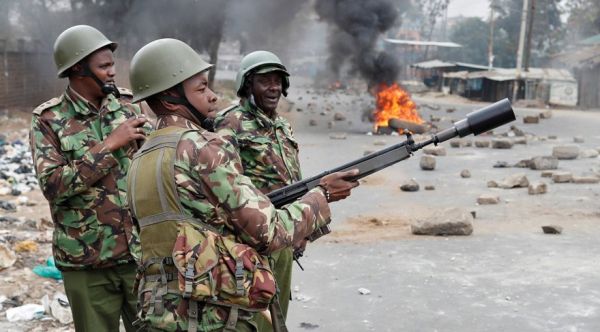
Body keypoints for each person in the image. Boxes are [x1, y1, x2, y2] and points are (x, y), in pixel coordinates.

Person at [126, 38, 358, 331]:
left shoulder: (140, 157)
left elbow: (142, 243)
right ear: (172, 98)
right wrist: (321, 195)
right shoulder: (203, 148)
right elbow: (269, 230)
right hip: (211, 316)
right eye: (201, 88)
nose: (212, 97)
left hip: (159, 314)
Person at [30, 25, 150, 332]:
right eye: (104, 66)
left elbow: (150, 168)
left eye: (112, 64)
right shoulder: (48, 120)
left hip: (139, 256)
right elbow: (53, 186)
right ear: (78, 69)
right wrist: (109, 145)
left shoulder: (128, 105)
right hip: (87, 264)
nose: (113, 72)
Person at [213, 51, 302, 331]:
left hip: (284, 235)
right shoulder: (230, 122)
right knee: (251, 318)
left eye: (278, 81)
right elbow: (221, 181)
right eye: (265, 81)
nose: (274, 87)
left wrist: (302, 229)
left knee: (278, 318)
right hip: (249, 241)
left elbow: (293, 179)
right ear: (247, 84)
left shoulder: (281, 125)